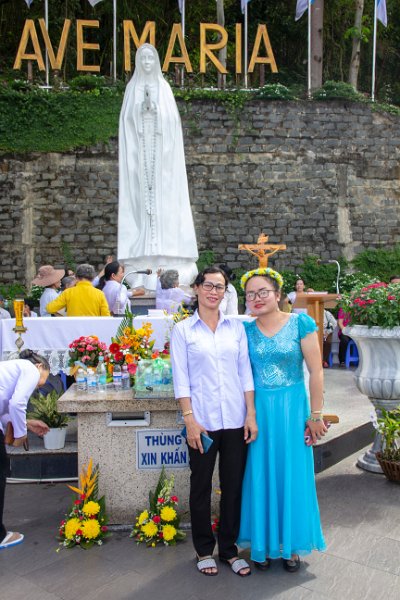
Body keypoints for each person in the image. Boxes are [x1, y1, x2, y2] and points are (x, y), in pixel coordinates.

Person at [237, 267, 327, 572]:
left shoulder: (300, 323)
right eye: (251, 294)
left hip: (292, 408)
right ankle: (261, 544)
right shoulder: (245, 331)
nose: (257, 298)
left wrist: (316, 415)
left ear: (278, 294)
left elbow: (316, 370)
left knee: (292, 473)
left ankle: (291, 545)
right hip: (259, 411)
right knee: (260, 474)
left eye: (263, 292)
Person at [170, 266, 257, 577]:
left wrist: (250, 413)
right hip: (203, 422)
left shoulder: (236, 329)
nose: (213, 292)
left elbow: (245, 373)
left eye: (220, 287)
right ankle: (204, 549)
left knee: (233, 487)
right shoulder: (183, 331)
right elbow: (181, 379)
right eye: (208, 285)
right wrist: (190, 420)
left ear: (225, 292)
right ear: (196, 288)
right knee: (201, 486)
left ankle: (229, 550)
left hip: (235, 419)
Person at [118, 43, 198, 289]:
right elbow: (126, 120)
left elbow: (172, 120)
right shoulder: (132, 88)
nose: (147, 63)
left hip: (163, 156)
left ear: (156, 62)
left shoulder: (164, 88)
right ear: (137, 62)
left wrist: (156, 112)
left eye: (150, 58)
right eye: (142, 59)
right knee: (140, 203)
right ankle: (141, 256)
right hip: (140, 153)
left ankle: (171, 253)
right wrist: (140, 112)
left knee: (166, 203)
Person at [0, 350, 50, 549]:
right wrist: (21, 435)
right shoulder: (29, 368)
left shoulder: (10, 369)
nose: (38, 386)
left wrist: (26, 423)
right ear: (40, 366)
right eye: (42, 381)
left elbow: (5, 410)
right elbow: (17, 403)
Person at [46, 264, 110, 317]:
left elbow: (50, 308)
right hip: (93, 328)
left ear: (76, 277)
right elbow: (106, 316)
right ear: (93, 278)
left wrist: (62, 317)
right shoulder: (100, 294)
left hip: (73, 327)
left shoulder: (68, 292)